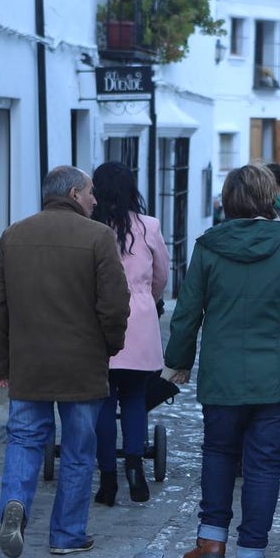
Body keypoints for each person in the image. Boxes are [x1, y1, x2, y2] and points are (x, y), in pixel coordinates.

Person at [164, 163, 280, 558]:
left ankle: (212, 540)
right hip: (278, 378)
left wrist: (179, 362)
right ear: (270, 197)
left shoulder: (208, 246)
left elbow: (187, 313)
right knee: (264, 464)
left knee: (219, 453)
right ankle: (252, 556)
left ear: (229, 200)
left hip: (222, 376)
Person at [0, 166, 130, 558]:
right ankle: (66, 535)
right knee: (80, 450)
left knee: (25, 440)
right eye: (91, 192)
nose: (96, 200)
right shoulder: (99, 237)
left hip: (29, 362)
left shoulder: (15, 235)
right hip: (82, 364)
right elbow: (114, 305)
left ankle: (15, 504)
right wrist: (111, 346)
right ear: (76, 193)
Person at [90, 162, 169, 506]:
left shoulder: (89, 229)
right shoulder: (149, 226)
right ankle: (135, 470)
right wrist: (146, 301)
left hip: (97, 319)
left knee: (104, 402)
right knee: (135, 399)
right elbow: (162, 275)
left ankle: (108, 478)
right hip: (139, 318)